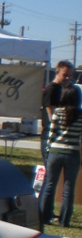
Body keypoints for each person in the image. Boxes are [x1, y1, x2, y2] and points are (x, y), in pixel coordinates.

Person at [38, 83, 82, 226]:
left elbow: (52, 133)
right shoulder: (80, 115)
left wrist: (49, 149)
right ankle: (65, 220)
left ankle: (43, 217)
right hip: (72, 152)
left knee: (50, 184)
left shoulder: (57, 112)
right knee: (69, 188)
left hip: (56, 151)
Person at [41, 60, 76, 162]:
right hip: (50, 135)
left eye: (70, 75)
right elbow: (51, 115)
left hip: (60, 135)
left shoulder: (65, 89)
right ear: (57, 72)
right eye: (65, 75)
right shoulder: (52, 89)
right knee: (51, 172)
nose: (67, 78)